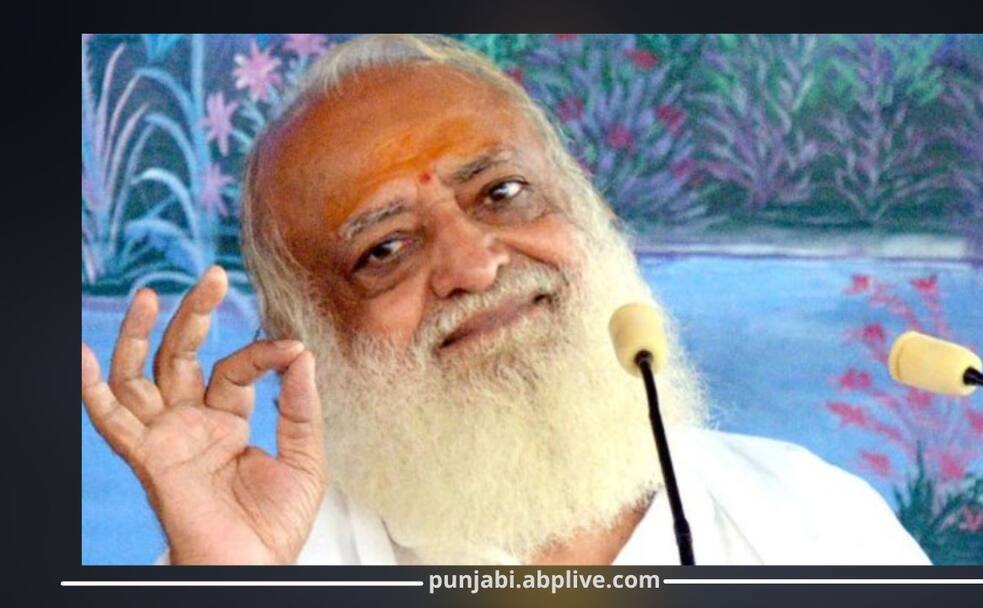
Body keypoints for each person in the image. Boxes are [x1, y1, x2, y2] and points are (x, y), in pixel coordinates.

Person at [80, 34, 930, 565]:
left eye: (502, 193)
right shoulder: (269, 560)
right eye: (385, 250)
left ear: (590, 211)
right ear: (305, 337)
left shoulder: (812, 519)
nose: (474, 264)